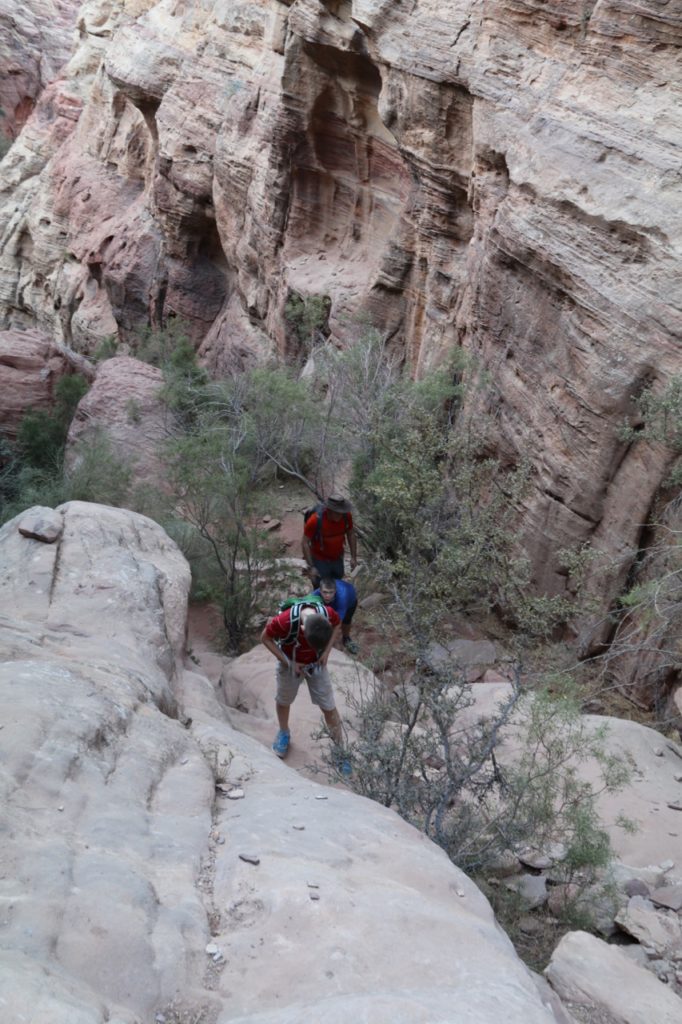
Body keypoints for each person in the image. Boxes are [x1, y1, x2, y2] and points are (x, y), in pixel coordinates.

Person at [261, 599, 350, 773]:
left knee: (329, 706)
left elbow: (337, 624)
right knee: (284, 699)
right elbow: (265, 638)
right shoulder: (284, 621)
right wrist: (288, 662)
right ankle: (284, 732)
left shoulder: (328, 613)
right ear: (302, 629)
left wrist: (325, 652)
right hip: (291, 662)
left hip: (316, 663)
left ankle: (339, 749)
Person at [302, 493, 357, 587]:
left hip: (337, 557)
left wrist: (353, 557)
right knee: (320, 586)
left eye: (341, 512)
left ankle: (333, 601)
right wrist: (311, 566)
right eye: (337, 512)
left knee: (337, 583)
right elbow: (305, 542)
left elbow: (351, 534)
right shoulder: (315, 520)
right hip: (319, 559)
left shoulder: (346, 516)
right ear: (329, 510)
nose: (339, 515)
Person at [314, 576, 359, 656]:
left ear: (335, 591)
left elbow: (337, 625)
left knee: (346, 620)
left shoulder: (342, 598)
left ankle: (346, 638)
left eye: (331, 592)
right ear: (320, 591)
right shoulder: (315, 594)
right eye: (325, 592)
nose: (327, 595)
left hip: (350, 602)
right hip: (334, 600)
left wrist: (326, 652)